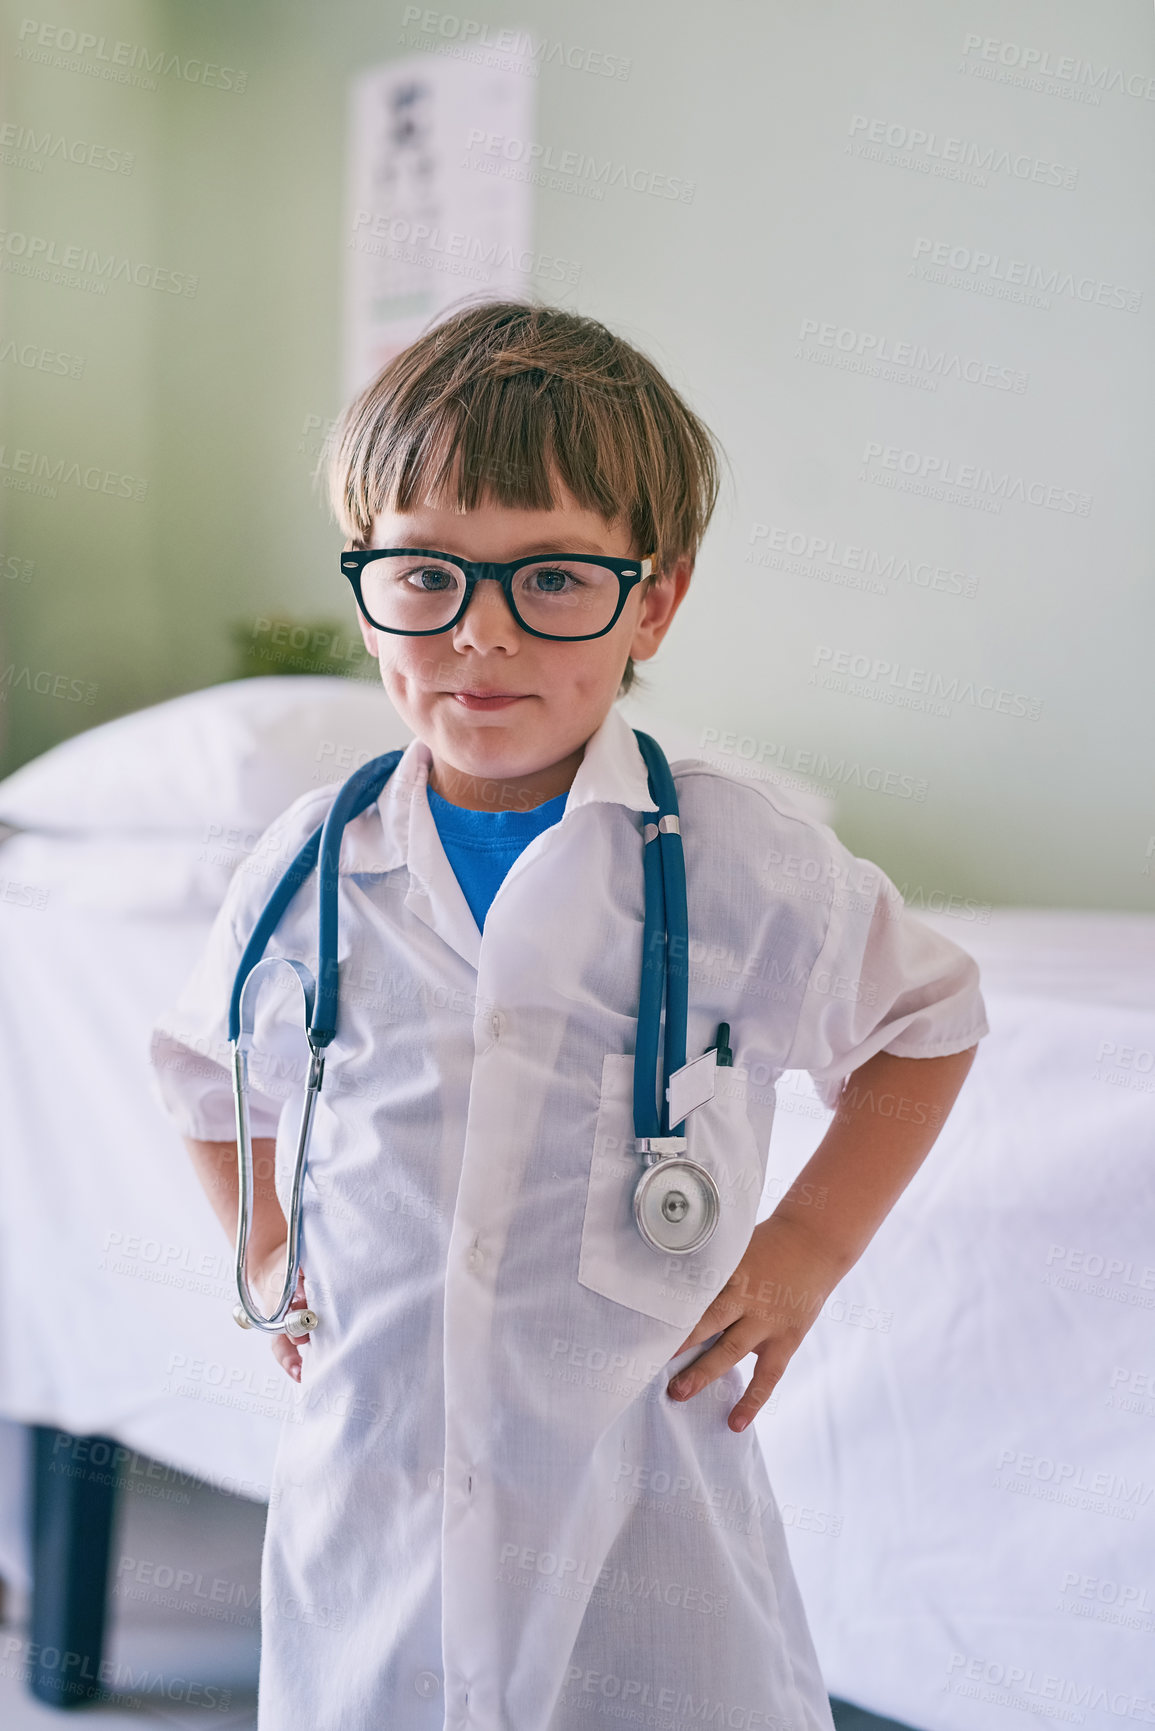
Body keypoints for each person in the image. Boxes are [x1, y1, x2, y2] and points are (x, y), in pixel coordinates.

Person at [148, 298, 988, 1731]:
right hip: (378, 1479)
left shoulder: (735, 858)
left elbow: (926, 1019)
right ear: (369, 589)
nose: (479, 634)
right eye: (426, 576)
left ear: (651, 599)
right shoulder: (305, 862)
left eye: (551, 578)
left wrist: (808, 1248)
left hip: (642, 1499)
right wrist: (271, 1245)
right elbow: (202, 1074)